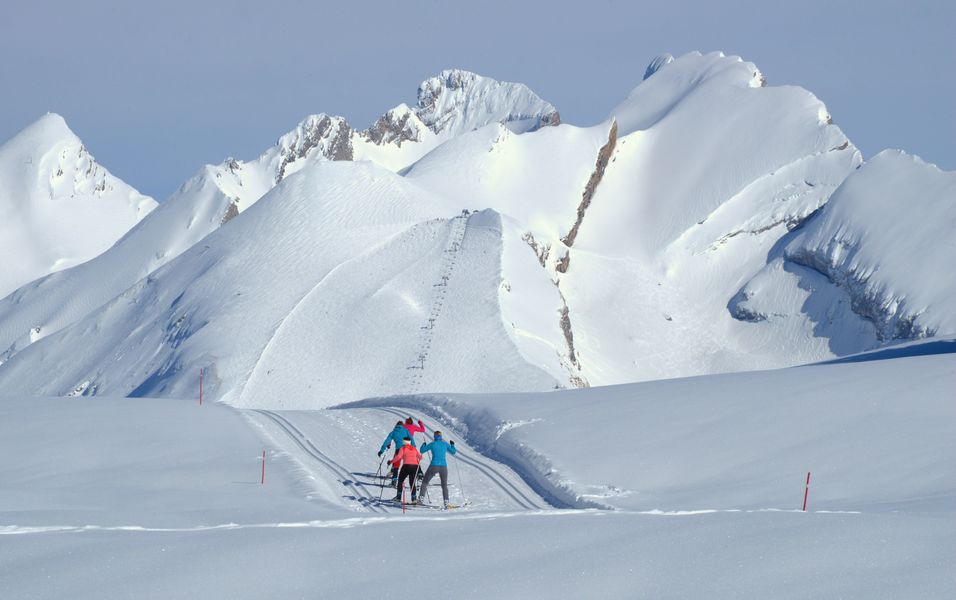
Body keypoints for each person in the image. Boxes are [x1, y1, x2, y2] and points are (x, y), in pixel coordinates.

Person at [418, 431, 457, 508]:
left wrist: (423, 444)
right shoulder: (445, 444)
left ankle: (421, 499)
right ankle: (446, 502)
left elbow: (422, 450)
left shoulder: (432, 444)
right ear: (441, 436)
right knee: (444, 485)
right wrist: (452, 445)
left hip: (434, 465)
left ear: (434, 437)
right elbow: (453, 451)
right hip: (443, 466)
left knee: (425, 482)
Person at [391, 437, 422, 503]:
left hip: (406, 466)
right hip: (415, 466)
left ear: (404, 442)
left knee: (400, 480)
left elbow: (398, 457)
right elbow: (420, 457)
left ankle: (398, 497)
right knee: (412, 482)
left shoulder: (403, 448)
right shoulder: (414, 448)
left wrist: (391, 461)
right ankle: (413, 498)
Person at [378, 421, 410, 486]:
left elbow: (386, 441)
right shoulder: (406, 430)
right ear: (402, 425)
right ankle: (413, 479)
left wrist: (381, 450)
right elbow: (411, 439)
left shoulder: (393, 432)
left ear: (396, 425)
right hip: (407, 449)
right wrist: (413, 448)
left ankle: (394, 480)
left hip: (398, 450)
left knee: (396, 466)